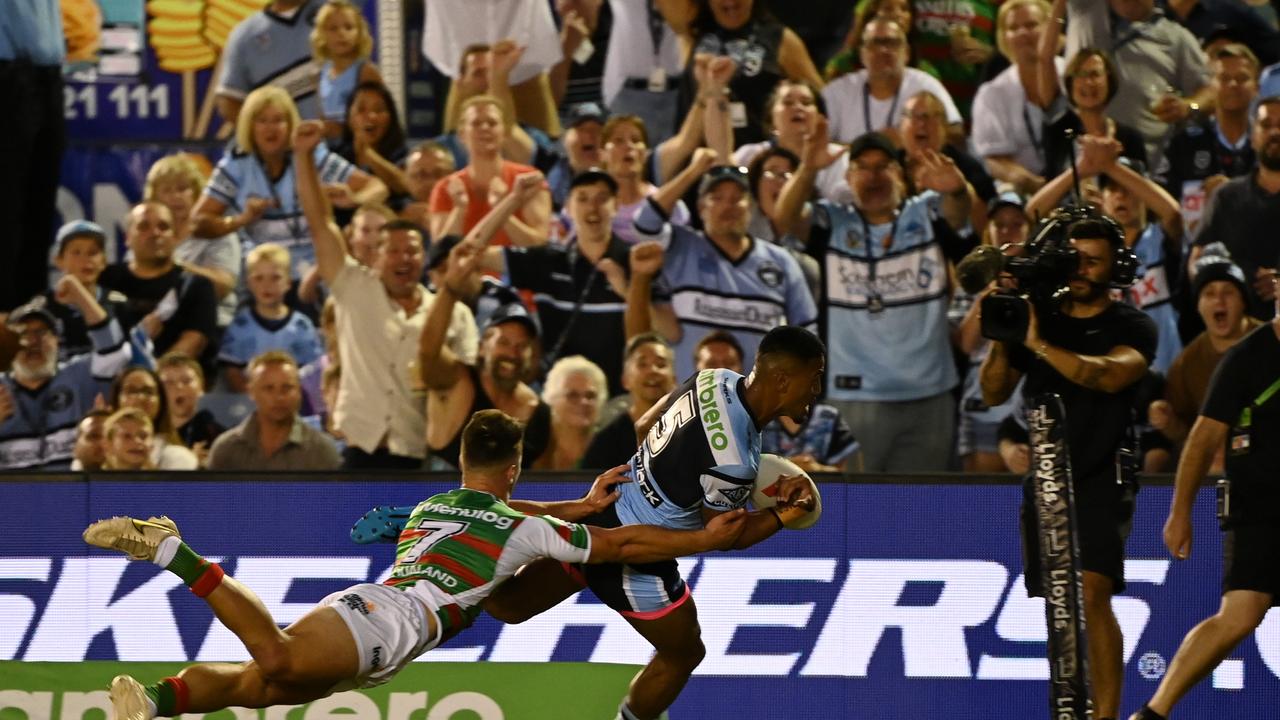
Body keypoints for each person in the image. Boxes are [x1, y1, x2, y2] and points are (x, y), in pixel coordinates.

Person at [86, 409, 748, 720]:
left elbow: (499, 512)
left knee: (257, 689)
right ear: (514, 468)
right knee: (278, 659)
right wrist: (704, 542)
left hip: (383, 623)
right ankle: (172, 548)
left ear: (464, 461)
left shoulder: (433, 504)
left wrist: (577, 502)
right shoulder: (526, 526)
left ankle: (152, 701)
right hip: (385, 618)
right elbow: (622, 546)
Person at [484, 326, 824, 720]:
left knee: (508, 606)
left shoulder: (714, 379)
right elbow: (726, 535)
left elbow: (645, 424)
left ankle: (468, 544)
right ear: (782, 379)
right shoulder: (735, 461)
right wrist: (786, 513)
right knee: (685, 653)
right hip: (636, 559)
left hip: (602, 511)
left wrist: (668, 478)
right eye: (813, 378)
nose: (817, 389)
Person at [979, 215, 1157, 720]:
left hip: (1104, 474)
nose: (1080, 269)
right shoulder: (1042, 316)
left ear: (1115, 267)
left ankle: (1105, 716)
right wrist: (1004, 332)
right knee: (1058, 604)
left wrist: (1038, 345)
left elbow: (1108, 376)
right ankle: (1066, 706)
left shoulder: (1131, 325)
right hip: (1047, 479)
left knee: (1092, 591)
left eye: (1093, 261)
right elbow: (993, 391)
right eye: (1073, 257)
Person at [1127, 262, 1280, 720]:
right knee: (1240, 614)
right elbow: (1202, 438)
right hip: (1259, 506)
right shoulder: (1248, 357)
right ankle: (1154, 711)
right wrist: (1179, 512)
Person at [773, 128, 974, 473]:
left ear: (901, 174)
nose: (873, 175)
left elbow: (958, 213)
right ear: (849, 178)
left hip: (930, 394)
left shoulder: (925, 213)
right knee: (859, 514)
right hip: (854, 398)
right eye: (862, 167)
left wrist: (957, 188)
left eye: (883, 166)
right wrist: (807, 168)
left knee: (922, 511)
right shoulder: (833, 221)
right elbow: (785, 219)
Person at [293, 119, 478, 469]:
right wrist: (303, 156)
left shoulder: (453, 313)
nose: (403, 258)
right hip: (357, 448)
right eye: (392, 250)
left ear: (424, 258)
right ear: (376, 256)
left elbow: (463, 392)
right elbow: (321, 223)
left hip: (416, 455)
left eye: (411, 251)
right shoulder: (353, 287)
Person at [469, 169, 670, 394]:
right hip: (558, 399)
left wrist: (628, 291)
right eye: (582, 198)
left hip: (619, 402)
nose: (592, 207)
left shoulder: (638, 261)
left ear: (616, 206)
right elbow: (469, 252)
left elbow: (671, 332)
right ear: (569, 208)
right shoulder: (548, 261)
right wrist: (513, 200)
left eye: (602, 199)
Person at [630, 149, 819, 381]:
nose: (728, 206)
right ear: (700, 208)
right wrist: (693, 171)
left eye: (737, 198)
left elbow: (807, 334)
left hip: (757, 408)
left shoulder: (780, 261)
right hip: (688, 403)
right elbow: (645, 222)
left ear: (750, 207)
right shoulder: (680, 247)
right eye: (716, 197)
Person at [194, 86, 387, 284]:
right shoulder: (236, 164)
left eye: (278, 120)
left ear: (291, 125)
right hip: (261, 272)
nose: (271, 129)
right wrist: (240, 220)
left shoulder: (311, 155)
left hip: (316, 269)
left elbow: (378, 187)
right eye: (262, 121)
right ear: (249, 126)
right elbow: (197, 222)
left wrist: (354, 199)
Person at [1026, 147, 1185, 373]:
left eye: (1128, 189)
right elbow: (1032, 213)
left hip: (1165, 371)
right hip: (1108, 369)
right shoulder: (1087, 253)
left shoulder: (1158, 239)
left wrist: (1109, 165)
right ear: (1102, 197)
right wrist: (1081, 168)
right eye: (1112, 188)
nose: (1121, 195)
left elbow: (1173, 214)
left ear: (1144, 193)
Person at [418, 249, 551, 469]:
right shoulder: (457, 382)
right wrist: (450, 290)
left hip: (508, 503)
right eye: (504, 342)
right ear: (482, 347)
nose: (512, 353)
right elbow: (428, 351)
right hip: (439, 500)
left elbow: (542, 485)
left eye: (521, 346)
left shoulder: (538, 412)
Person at [1148, 250, 1262, 471]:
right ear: (1199, 307)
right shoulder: (1185, 363)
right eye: (1209, 293)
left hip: (1265, 460)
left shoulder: (1271, 342)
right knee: (1153, 489)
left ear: (1243, 302)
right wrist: (1168, 421)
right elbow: (1184, 436)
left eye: (1228, 292)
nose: (1219, 300)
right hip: (1212, 469)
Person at [1061, 0, 1212, 165]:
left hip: (1147, 161)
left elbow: (1210, 93)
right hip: (1086, 156)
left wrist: (1188, 107)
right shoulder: (1087, 12)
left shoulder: (1177, 38)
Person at [0, 281, 129, 469]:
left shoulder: (80, 376)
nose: (32, 342)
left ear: (57, 340)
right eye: (23, 334)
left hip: (76, 495)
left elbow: (115, 353)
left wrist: (81, 296)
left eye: (41, 332)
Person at [668, 0, 825, 146]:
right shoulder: (690, 30)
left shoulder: (779, 38)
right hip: (697, 153)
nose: (730, 1)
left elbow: (817, 94)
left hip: (757, 156)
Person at [951, 193, 1032, 472]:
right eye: (1000, 225)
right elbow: (965, 343)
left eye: (1017, 224)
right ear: (989, 230)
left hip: (1027, 397)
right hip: (981, 398)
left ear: (1030, 229)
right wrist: (990, 289)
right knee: (982, 494)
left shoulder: (1043, 278)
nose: (1008, 232)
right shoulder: (973, 278)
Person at [1154, 44, 1260, 237]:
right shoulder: (1184, 143)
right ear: (1211, 86)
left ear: (1257, 87)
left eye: (1242, 78)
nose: (1233, 84)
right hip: (1195, 256)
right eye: (1224, 78)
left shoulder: (1271, 144)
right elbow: (1164, 211)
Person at [1189, 95, 1280, 321]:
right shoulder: (1227, 196)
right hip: (1240, 335)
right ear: (1252, 137)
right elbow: (1197, 261)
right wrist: (1224, 287)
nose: (1275, 133)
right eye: (1266, 125)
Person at [0, 2, 65, 312]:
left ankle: (28, 324)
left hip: (47, 74)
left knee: (38, 214)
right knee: (6, 214)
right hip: (5, 71)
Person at [99, 203, 219, 363]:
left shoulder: (196, 285)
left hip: (173, 381)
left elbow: (193, 342)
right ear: (127, 238)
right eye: (144, 226)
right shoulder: (106, 279)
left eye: (163, 227)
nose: (155, 233)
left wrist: (151, 376)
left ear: (175, 237)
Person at [428, 95, 552, 249]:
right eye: (476, 123)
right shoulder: (445, 188)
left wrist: (502, 208)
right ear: (461, 135)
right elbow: (441, 257)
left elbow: (538, 245)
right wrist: (459, 210)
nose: (485, 128)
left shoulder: (529, 180)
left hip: (516, 272)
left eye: (492, 123)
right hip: (468, 272)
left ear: (505, 133)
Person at [821, 19, 962, 145]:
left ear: (906, 53)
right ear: (862, 54)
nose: (884, 50)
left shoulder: (925, 85)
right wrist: (864, 149)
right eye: (875, 43)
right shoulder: (838, 91)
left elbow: (957, 133)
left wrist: (910, 140)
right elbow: (815, 145)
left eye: (892, 43)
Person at [970, 0, 1059, 196]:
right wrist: (1030, 183)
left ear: (1049, 29)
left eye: (1031, 25)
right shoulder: (991, 94)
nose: (1022, 33)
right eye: (1013, 28)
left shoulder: (1072, 75)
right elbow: (994, 159)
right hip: (1025, 191)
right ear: (1004, 38)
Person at [144, 155, 241, 331]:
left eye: (182, 189)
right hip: (157, 323)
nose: (175, 197)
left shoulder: (217, 231)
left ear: (197, 193)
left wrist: (173, 266)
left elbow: (223, 286)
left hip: (214, 323)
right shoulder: (146, 234)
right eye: (167, 190)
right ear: (155, 197)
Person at [207, 350, 341, 470]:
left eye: (287, 388)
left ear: (299, 391)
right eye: (269, 388)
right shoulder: (226, 449)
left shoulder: (322, 450)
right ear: (251, 392)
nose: (279, 397)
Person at [218, 243, 324, 393]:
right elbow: (232, 373)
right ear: (249, 283)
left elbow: (313, 372)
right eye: (259, 278)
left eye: (275, 278)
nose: (266, 285)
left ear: (288, 283)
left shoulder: (302, 326)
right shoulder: (240, 326)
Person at [733, 79, 854, 205]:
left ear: (820, 118)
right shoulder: (749, 155)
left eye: (806, 103)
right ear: (772, 121)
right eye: (788, 102)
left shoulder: (838, 158)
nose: (798, 107)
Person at [215, 0, 324, 127]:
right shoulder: (243, 37)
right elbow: (230, 102)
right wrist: (267, 139)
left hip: (347, 141)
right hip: (289, 145)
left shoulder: (341, 7)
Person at [582, 333, 677, 470]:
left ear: (674, 379)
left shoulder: (690, 430)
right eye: (642, 364)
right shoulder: (607, 442)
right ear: (625, 380)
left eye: (661, 364)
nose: (653, 370)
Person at [40, 220, 128, 361]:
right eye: (76, 252)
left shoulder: (119, 305)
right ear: (59, 260)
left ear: (104, 261)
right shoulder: (42, 307)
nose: (86, 260)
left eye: (93, 252)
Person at [311, 0, 382, 140]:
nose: (341, 34)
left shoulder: (366, 72)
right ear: (322, 34)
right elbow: (323, 117)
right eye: (333, 28)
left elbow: (379, 121)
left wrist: (343, 129)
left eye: (349, 27)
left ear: (359, 33)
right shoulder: (320, 74)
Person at [108, 366, 200, 471]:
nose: (140, 398)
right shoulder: (99, 451)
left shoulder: (179, 458)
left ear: (161, 402)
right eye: (131, 391)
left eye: (148, 392)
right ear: (116, 400)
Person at [333, 82, 410, 205]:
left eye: (379, 110)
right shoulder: (336, 155)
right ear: (349, 118)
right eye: (361, 109)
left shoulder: (401, 153)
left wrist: (367, 154)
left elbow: (404, 186)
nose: (371, 116)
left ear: (391, 118)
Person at [532, 355, 609, 470]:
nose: (584, 402)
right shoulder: (532, 447)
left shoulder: (612, 449)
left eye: (590, 396)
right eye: (572, 395)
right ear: (550, 399)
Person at [157, 353, 225, 465]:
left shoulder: (216, 437)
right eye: (168, 383)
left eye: (186, 381)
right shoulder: (149, 434)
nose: (179, 387)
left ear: (201, 388)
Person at [100, 407, 163, 471]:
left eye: (143, 436)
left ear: (152, 445)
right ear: (108, 445)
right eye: (127, 436)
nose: (137, 441)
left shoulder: (166, 480)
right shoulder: (95, 480)